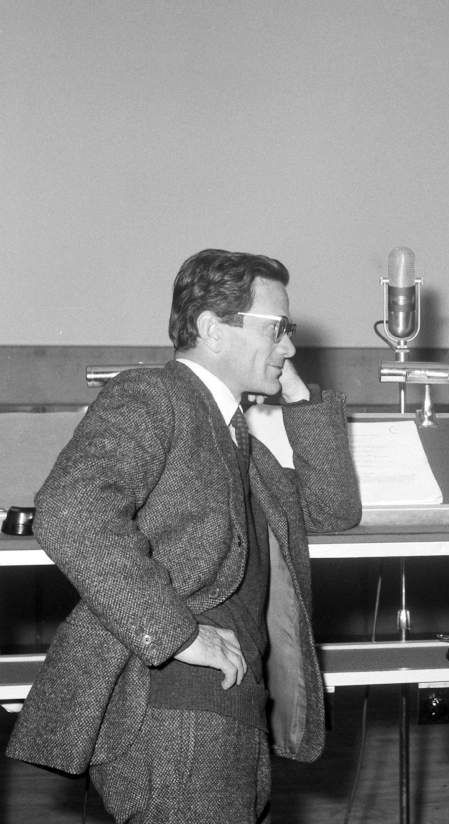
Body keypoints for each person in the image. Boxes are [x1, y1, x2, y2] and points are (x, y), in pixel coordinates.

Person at [6, 248, 362, 823]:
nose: (290, 346)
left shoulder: (237, 438)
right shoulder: (154, 395)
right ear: (211, 330)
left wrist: (301, 400)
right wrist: (174, 633)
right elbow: (70, 508)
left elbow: (331, 509)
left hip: (226, 696)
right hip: (174, 697)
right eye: (277, 330)